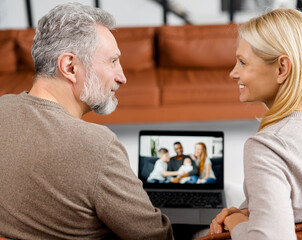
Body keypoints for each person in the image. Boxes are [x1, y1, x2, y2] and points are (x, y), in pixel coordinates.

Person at [0, 3, 173, 240]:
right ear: (70, 67)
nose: (121, 77)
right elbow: (157, 237)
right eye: (112, 61)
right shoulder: (98, 146)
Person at [208, 8, 302, 240]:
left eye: (243, 62)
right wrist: (247, 210)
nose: (234, 73)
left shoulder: (267, 146)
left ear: (282, 68)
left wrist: (235, 222)